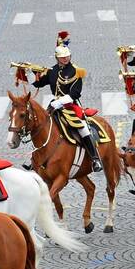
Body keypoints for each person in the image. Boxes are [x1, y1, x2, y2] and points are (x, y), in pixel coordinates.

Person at [31, 32, 104, 173]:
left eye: (67, 57)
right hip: (54, 105)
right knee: (39, 126)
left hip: (70, 105)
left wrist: (59, 103)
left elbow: (75, 93)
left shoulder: (76, 71)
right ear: (57, 58)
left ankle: (95, 158)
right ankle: (35, 158)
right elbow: (39, 84)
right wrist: (33, 74)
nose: (65, 59)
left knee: (82, 128)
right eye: (62, 57)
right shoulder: (52, 71)